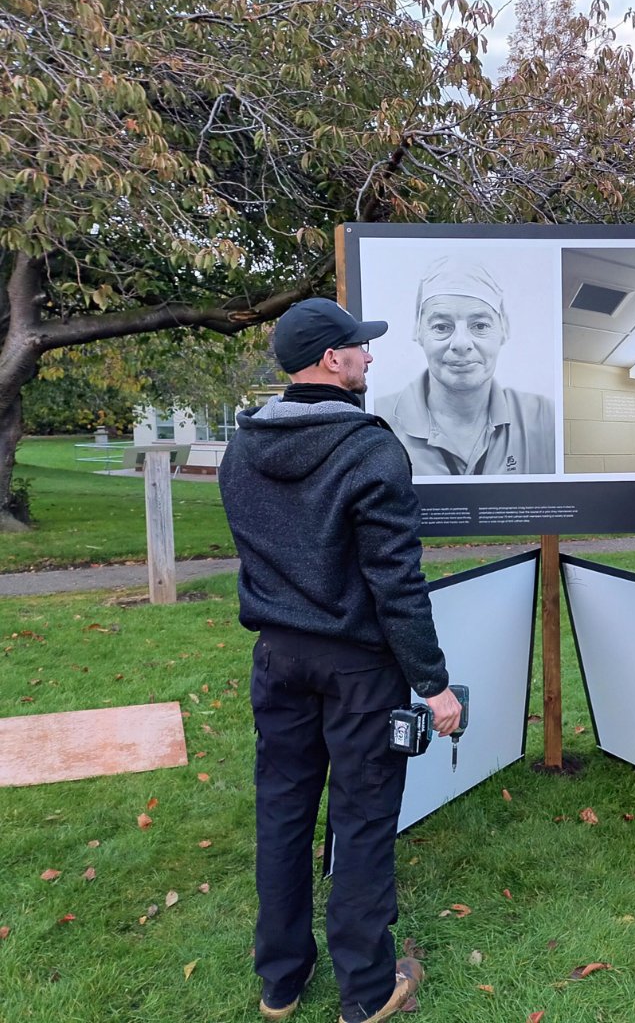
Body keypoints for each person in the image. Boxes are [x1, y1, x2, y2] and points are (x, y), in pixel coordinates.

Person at [218, 296, 463, 1023]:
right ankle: (366, 989)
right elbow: (396, 581)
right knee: (360, 820)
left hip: (278, 660)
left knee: (284, 812)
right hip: (359, 671)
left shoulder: (243, 446)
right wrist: (434, 685)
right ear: (333, 360)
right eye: (360, 347)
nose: (369, 356)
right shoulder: (370, 449)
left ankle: (281, 984)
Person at [375, 255, 556, 475]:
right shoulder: (377, 421)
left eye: (479, 325)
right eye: (442, 327)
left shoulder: (544, 418)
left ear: (504, 328)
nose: (461, 343)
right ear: (418, 330)